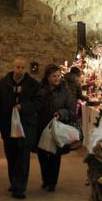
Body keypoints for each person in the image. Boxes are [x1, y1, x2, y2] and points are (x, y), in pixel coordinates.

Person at [0, 56, 43, 199]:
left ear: (26, 69)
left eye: (22, 67)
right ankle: (14, 182)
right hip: (8, 126)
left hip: (26, 126)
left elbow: (38, 102)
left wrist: (23, 107)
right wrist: (0, 121)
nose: (19, 70)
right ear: (13, 67)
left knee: (23, 156)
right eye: (17, 67)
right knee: (11, 155)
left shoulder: (33, 84)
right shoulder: (3, 84)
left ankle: (20, 188)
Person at [37, 64, 75, 192]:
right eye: (54, 76)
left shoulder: (65, 91)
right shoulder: (40, 90)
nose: (57, 78)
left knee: (54, 155)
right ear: (47, 77)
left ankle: (52, 182)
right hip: (42, 126)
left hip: (57, 126)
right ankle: (45, 178)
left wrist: (61, 113)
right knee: (42, 154)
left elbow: (71, 110)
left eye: (59, 76)